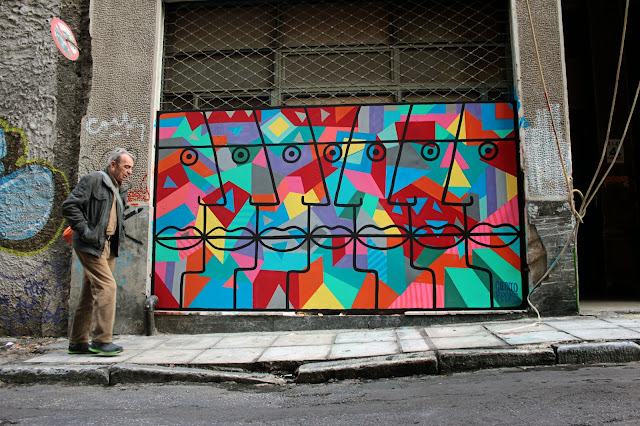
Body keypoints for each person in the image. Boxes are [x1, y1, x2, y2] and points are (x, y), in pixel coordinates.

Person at [62, 147, 134, 355]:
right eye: (126, 167)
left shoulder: (119, 188)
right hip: (91, 244)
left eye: (130, 168)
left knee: (89, 293)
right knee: (107, 287)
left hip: (108, 246)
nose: (129, 171)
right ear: (113, 165)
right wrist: (86, 232)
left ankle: (78, 342)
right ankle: (102, 340)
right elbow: (70, 206)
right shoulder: (94, 180)